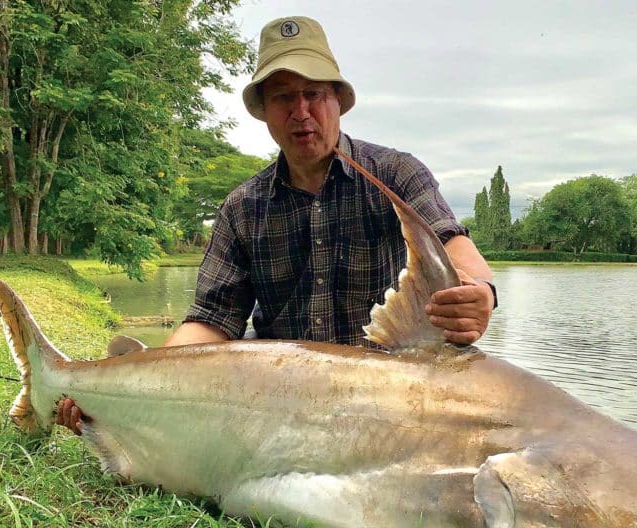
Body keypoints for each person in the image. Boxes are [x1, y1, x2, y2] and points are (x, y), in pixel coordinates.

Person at [57, 16, 495, 434]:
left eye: (314, 94)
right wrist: (133, 379)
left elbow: (451, 242)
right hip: (279, 400)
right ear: (265, 111)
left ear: (337, 101)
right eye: (284, 97)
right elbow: (211, 320)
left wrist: (479, 292)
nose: (301, 111)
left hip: (389, 396)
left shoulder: (396, 174)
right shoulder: (242, 208)